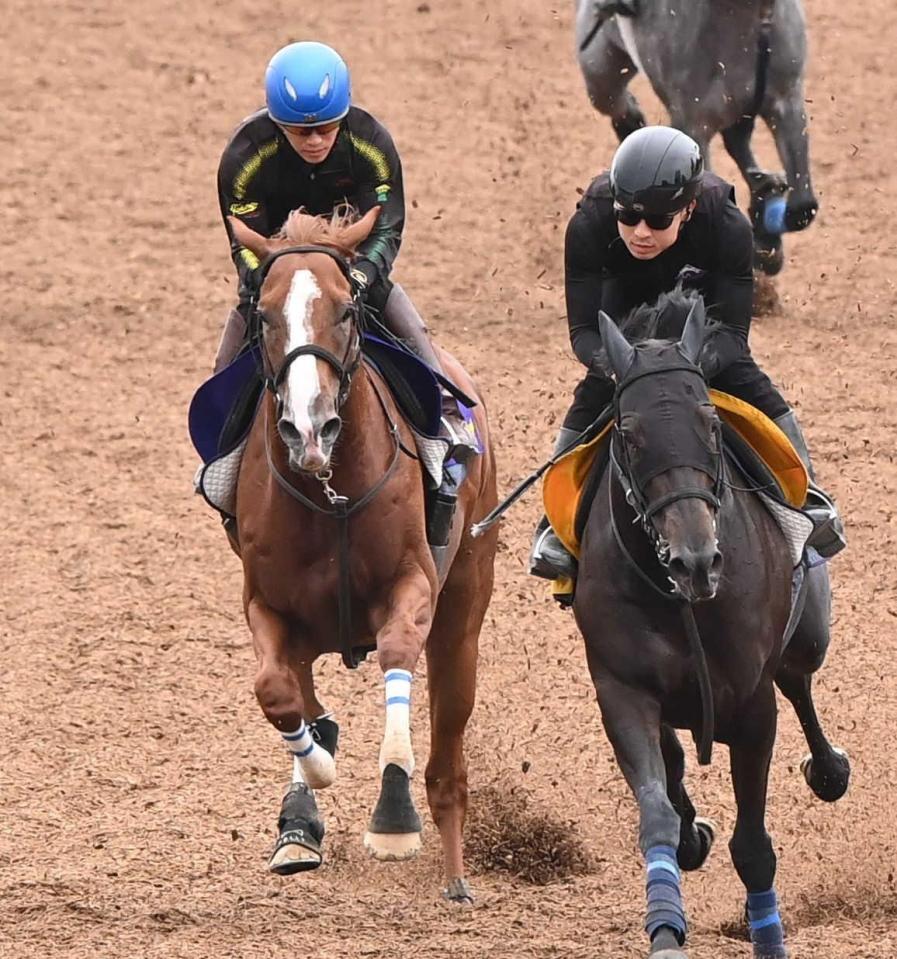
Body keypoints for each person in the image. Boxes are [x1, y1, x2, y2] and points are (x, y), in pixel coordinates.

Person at [529, 124, 845, 581]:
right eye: (628, 217)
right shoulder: (589, 222)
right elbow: (583, 333)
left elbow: (734, 336)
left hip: (702, 326)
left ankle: (808, 499)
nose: (640, 232)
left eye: (658, 221)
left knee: (759, 391)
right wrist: (624, 369)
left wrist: (686, 371)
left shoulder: (728, 224)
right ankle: (555, 529)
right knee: (588, 404)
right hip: (626, 325)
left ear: (689, 208)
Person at [214, 40, 477, 459]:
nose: (315, 140)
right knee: (229, 364)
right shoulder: (245, 156)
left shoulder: (370, 142)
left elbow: (387, 225)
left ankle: (448, 415)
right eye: (301, 132)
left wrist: (360, 276)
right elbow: (243, 242)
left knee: (409, 326)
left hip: (352, 262)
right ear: (278, 124)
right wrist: (267, 279)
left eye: (327, 128)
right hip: (278, 265)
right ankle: (222, 451)